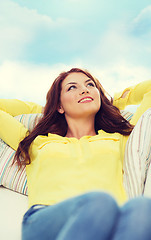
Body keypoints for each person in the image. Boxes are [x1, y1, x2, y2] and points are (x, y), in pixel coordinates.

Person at [0, 68, 151, 240]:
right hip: (47, 219)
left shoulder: (120, 139)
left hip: (111, 222)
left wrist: (109, 101)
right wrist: (45, 109)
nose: (85, 90)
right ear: (60, 105)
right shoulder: (36, 143)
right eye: (72, 87)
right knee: (100, 202)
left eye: (90, 85)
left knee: (142, 208)